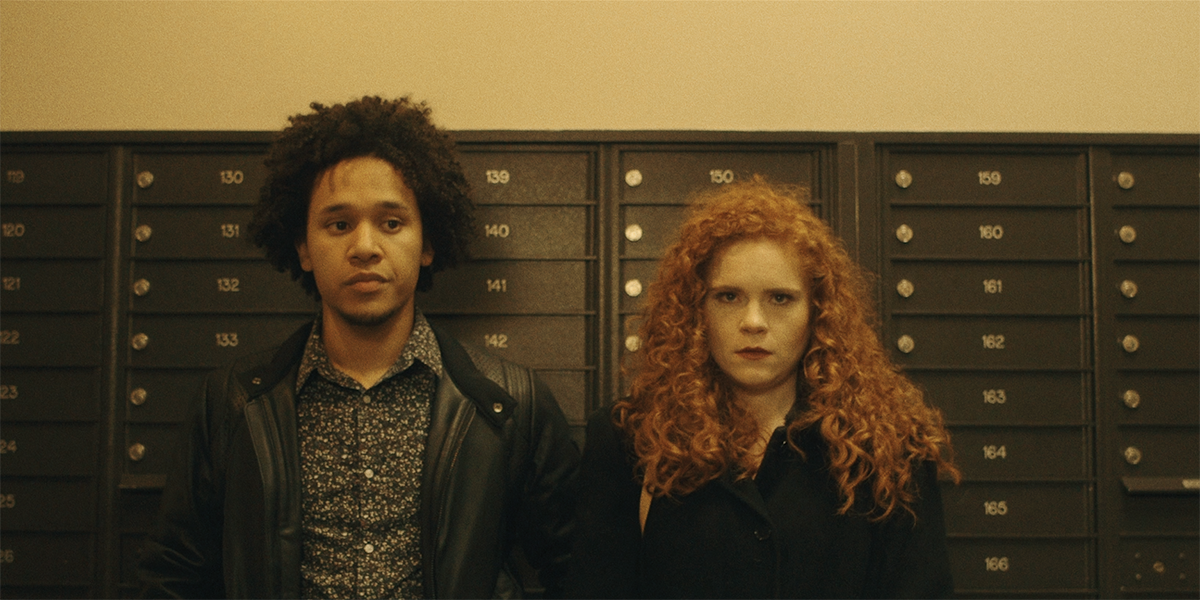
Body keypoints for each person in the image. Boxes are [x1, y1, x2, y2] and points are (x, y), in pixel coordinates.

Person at [138, 96, 579, 600]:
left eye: (391, 223)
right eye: (339, 224)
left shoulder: (511, 405)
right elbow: (173, 575)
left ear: (427, 244)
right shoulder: (232, 404)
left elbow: (575, 570)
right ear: (303, 248)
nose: (365, 247)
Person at [565, 177, 959, 600]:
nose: (753, 322)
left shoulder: (890, 448)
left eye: (780, 299)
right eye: (728, 297)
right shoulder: (632, 440)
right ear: (696, 310)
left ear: (818, 312)